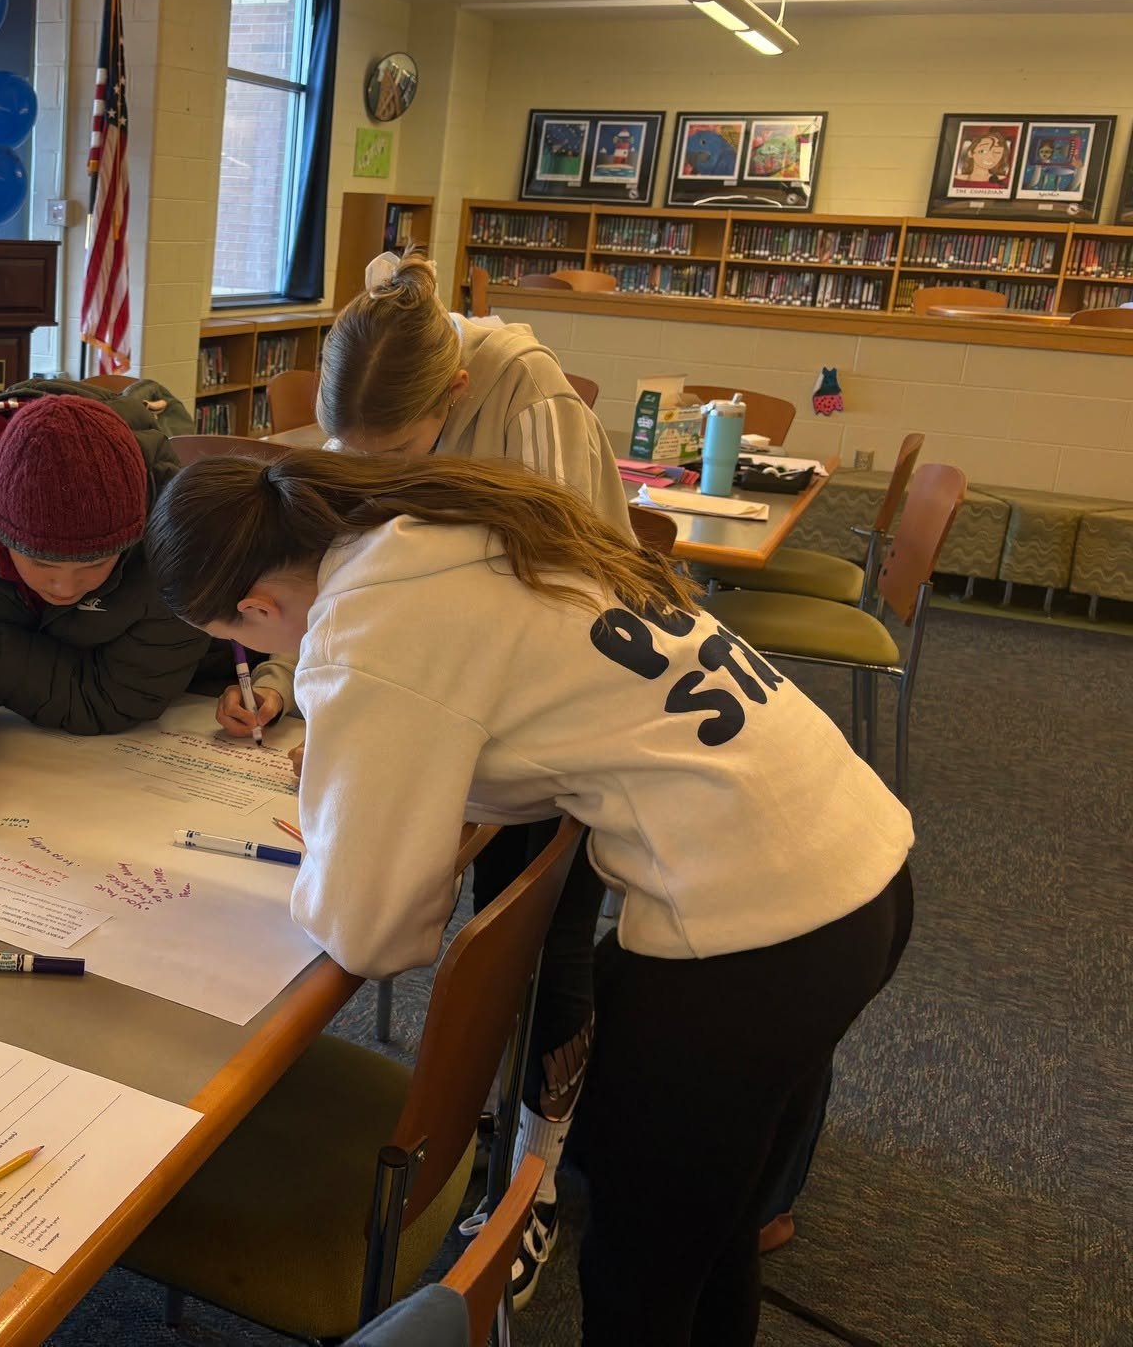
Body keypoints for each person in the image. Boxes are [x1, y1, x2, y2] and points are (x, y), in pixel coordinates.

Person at [148, 450, 914, 1345]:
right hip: (856, 862)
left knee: (641, 1277)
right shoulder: (437, 528)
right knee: (710, 1233)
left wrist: (344, 807)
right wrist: (378, 771)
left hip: (759, 935)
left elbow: (370, 931)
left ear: (255, 610)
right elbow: (543, 742)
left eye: (247, 643)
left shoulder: (368, 621)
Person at [218, 251, 629, 1307]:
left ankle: (530, 1169)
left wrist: (402, 719)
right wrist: (306, 686)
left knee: (543, 940)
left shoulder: (530, 404)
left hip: (560, 712)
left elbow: (574, 596)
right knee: (491, 921)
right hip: (454, 702)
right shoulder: (371, 407)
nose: (378, 473)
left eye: (396, 453)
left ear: (451, 399)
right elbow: (341, 570)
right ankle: (496, 1122)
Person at [0, 381, 209, 810]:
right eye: (41, 564)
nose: (64, 587)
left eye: (94, 565)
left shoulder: (179, 539)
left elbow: (119, 696)